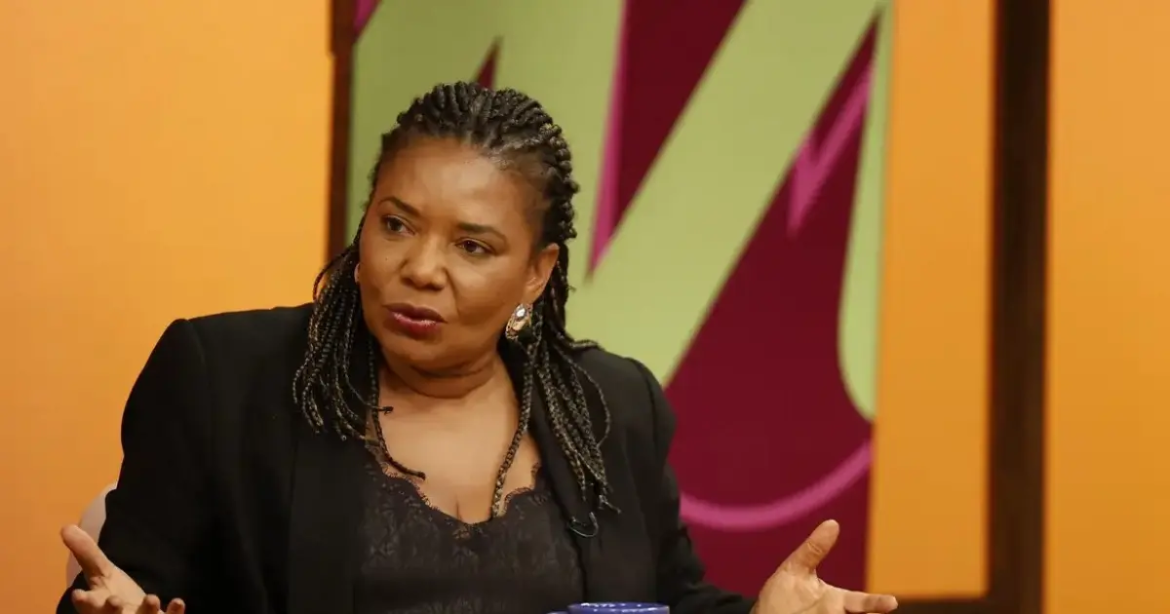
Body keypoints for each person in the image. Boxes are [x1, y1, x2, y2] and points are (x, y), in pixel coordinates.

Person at [58, 81, 899, 614]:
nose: (421, 269)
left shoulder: (609, 406)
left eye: (472, 246)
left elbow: (667, 599)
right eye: (396, 225)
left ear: (537, 272)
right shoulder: (225, 378)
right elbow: (120, 586)